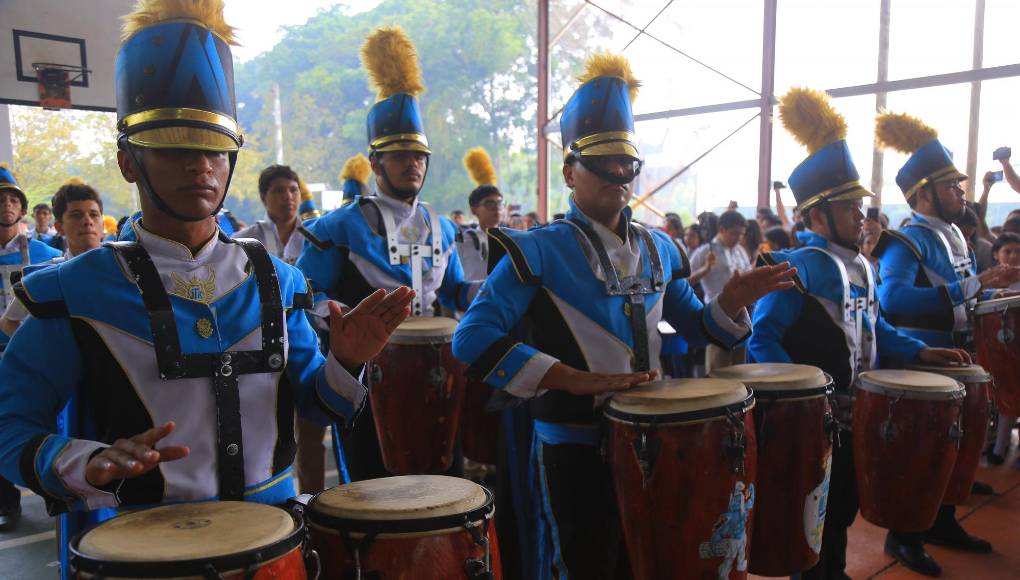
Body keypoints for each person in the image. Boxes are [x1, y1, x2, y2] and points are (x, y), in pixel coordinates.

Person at [0, 1, 412, 564]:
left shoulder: (280, 280)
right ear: (126, 161)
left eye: (214, 149)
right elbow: (9, 423)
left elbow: (320, 407)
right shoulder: (69, 292)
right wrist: (83, 461)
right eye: (173, 146)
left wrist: (346, 363)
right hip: (141, 552)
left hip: (278, 545)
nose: (200, 165)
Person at [452, 52, 795, 579]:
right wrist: (573, 380)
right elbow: (471, 339)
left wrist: (732, 301)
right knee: (582, 566)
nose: (618, 173)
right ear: (569, 171)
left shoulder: (659, 249)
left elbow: (698, 327)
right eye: (602, 162)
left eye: (626, 163)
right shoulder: (537, 250)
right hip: (571, 446)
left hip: (655, 444)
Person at [750, 88, 970, 580]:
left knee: (842, 505)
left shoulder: (864, 268)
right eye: (850, 208)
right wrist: (801, 399)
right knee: (811, 508)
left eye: (861, 207)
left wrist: (920, 350)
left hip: (855, 416)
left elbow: (876, 329)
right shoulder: (794, 269)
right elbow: (761, 341)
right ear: (816, 216)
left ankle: (834, 571)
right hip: (811, 420)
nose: (862, 217)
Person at [296, 26, 477, 481]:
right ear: (375, 163)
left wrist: (492, 290)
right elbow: (303, 297)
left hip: (439, 373)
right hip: (367, 378)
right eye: (398, 156)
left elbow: (455, 291)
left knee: (445, 485)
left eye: (418, 155)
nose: (411, 164)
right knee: (372, 487)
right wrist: (344, 325)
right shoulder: (336, 229)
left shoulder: (445, 228)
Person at [872, 110, 1020, 576]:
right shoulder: (907, 240)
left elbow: (964, 293)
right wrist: (974, 286)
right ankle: (904, 536)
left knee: (952, 450)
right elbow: (892, 300)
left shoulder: (955, 234)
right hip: (922, 363)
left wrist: (994, 290)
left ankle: (942, 520)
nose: (960, 191)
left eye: (959, 185)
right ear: (924, 193)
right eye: (952, 185)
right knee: (922, 453)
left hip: (954, 356)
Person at [0, 164, 62, 530]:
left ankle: (57, 489)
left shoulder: (42, 254)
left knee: (42, 423)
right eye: (1, 199)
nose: (7, 205)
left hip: (33, 356)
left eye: (13, 200)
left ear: (22, 209)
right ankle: (6, 503)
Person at [1, 178, 105, 337]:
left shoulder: (127, 269)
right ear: (59, 227)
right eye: (76, 215)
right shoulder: (44, 276)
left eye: (94, 215)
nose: (87, 221)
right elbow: (8, 322)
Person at [688, 210, 752, 372]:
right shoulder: (705, 251)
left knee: (740, 370)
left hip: (742, 316)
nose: (738, 238)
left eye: (741, 234)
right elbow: (685, 282)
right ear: (722, 229)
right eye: (735, 233)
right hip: (717, 316)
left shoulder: (740, 251)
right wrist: (705, 269)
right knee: (718, 370)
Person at [986, 232, 1020, 466]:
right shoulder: (987, 282)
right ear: (995, 255)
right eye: (1007, 251)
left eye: (1018, 252)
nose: (1014, 256)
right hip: (998, 345)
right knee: (1005, 393)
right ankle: (998, 447)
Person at [233, 165, 306, 265]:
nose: (288, 196)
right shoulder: (243, 242)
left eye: (293, 190)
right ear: (263, 197)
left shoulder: (313, 238)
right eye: (279, 190)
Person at [458, 147, 503, 282]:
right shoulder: (464, 241)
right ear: (474, 209)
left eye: (499, 203)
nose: (496, 208)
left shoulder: (511, 238)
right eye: (489, 204)